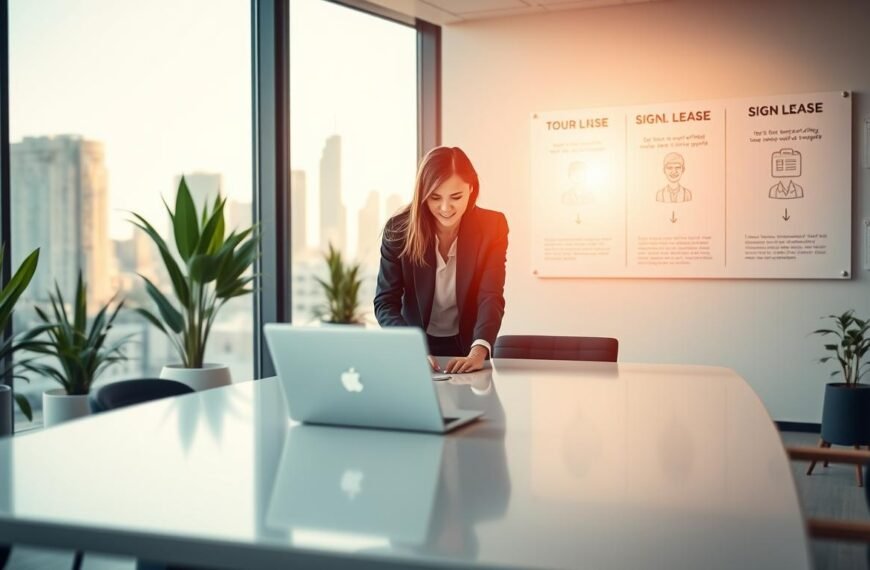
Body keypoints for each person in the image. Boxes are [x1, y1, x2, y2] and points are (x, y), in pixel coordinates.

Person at [374, 146, 508, 374]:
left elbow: (490, 296)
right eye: (435, 197)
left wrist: (478, 351)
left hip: (468, 346)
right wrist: (411, 348)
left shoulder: (492, 227)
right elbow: (385, 302)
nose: (445, 208)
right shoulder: (399, 230)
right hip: (415, 344)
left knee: (475, 409)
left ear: (471, 189)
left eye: (456, 197)